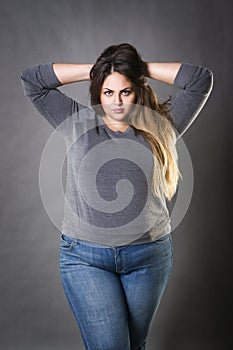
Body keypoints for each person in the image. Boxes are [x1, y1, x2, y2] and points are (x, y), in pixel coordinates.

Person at [21, 43, 213, 350]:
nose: (117, 102)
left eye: (125, 91)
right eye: (108, 92)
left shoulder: (160, 126)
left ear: (137, 90)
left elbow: (200, 80)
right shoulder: (78, 123)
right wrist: (99, 69)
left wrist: (136, 68)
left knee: (135, 345)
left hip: (148, 258)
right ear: (97, 93)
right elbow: (33, 80)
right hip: (86, 259)